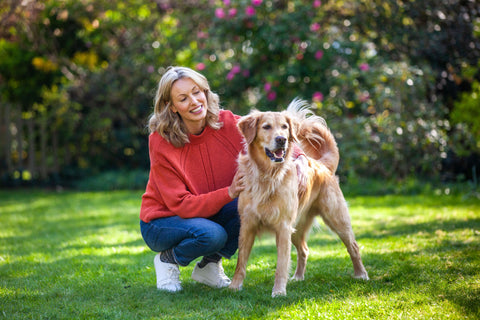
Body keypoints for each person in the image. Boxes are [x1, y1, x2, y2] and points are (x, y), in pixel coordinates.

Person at [139, 66, 245, 292]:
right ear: (172, 106)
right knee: (212, 235)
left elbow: (266, 131)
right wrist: (229, 192)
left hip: (207, 213)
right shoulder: (161, 141)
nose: (195, 102)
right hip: (162, 222)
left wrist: (299, 158)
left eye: (197, 92)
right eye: (183, 98)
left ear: (205, 92)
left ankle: (208, 267)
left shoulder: (227, 123)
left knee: (248, 207)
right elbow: (181, 205)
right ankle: (167, 260)